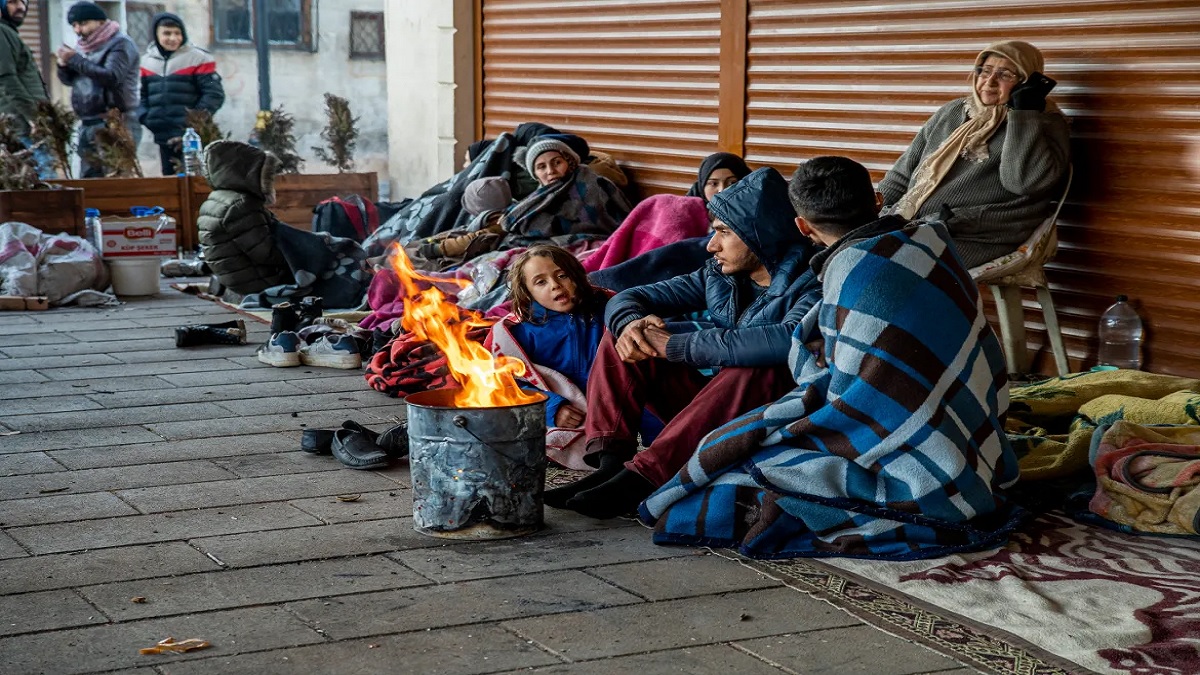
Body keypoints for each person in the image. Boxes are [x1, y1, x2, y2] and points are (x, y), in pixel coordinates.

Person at [641, 156, 1022, 560]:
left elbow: (847, 394)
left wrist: (809, 369)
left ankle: (646, 473)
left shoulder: (847, 269)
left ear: (803, 226)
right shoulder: (934, 245)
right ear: (878, 200)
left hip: (903, 443)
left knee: (752, 456)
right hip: (973, 435)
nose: (713, 244)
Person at [545, 166, 821, 519]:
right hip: (715, 412)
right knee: (625, 338)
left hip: (772, 420)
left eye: (724, 232)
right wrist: (631, 325)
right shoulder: (720, 275)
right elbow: (628, 297)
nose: (711, 245)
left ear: (760, 234)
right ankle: (610, 465)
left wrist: (674, 345)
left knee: (756, 367)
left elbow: (786, 339)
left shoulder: (812, 279)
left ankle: (642, 480)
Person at [878, 39, 1069, 269]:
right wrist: (871, 213)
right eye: (985, 71)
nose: (990, 81)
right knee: (850, 248)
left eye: (1005, 75)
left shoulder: (1045, 124)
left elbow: (1023, 182)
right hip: (915, 226)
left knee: (890, 264)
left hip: (977, 236)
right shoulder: (954, 112)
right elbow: (902, 175)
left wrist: (1024, 114)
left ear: (1026, 81)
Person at [486, 245, 661, 469]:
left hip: (621, 401)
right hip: (569, 413)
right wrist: (551, 408)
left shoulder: (609, 307)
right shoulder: (517, 332)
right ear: (527, 292)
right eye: (540, 282)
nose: (555, 285)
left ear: (577, 275)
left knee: (665, 434)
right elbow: (505, 385)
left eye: (562, 275)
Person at [588, 151, 752, 291]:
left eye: (732, 182)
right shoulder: (685, 208)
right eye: (713, 183)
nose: (722, 190)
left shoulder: (750, 219)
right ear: (702, 186)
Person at [56, 1, 141, 178]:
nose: (78, 30)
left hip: (115, 121)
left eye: (83, 23)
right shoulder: (82, 47)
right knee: (89, 181)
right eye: (74, 25)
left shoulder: (120, 44)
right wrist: (63, 66)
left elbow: (111, 76)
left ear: (101, 22)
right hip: (88, 122)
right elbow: (71, 80)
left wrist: (75, 60)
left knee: (116, 178)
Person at [138, 11, 224, 176]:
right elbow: (140, 96)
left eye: (177, 33)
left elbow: (214, 94)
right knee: (170, 180)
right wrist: (146, 117)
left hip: (192, 136)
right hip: (163, 135)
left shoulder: (199, 58)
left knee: (195, 178)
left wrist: (194, 123)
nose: (173, 38)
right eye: (167, 33)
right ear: (156, 35)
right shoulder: (147, 61)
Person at [0, 0, 53, 177]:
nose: (21, 6)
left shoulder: (8, 32)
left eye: (24, 1)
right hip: (22, 125)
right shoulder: (1, 32)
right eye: (13, 2)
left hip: (21, 123)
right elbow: (6, 80)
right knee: (45, 180)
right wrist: (34, 117)